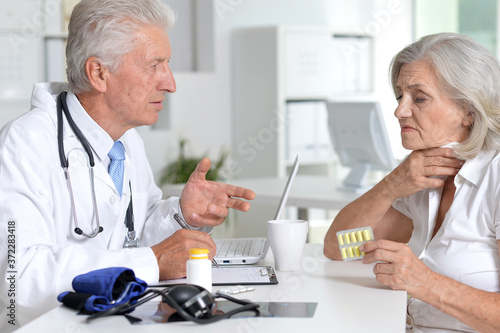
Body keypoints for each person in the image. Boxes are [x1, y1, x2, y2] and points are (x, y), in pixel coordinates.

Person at [0, 0, 255, 328]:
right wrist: (153, 262)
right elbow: (18, 281)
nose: (170, 83)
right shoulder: (24, 144)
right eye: (154, 65)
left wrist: (181, 215)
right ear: (99, 73)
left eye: (168, 64)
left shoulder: (125, 140)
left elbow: (133, 232)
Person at [324, 32, 500, 333]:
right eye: (399, 96)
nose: (399, 111)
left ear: (469, 111)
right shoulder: (420, 173)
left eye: (419, 98)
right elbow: (338, 247)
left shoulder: (494, 176)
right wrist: (392, 184)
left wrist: (424, 282)